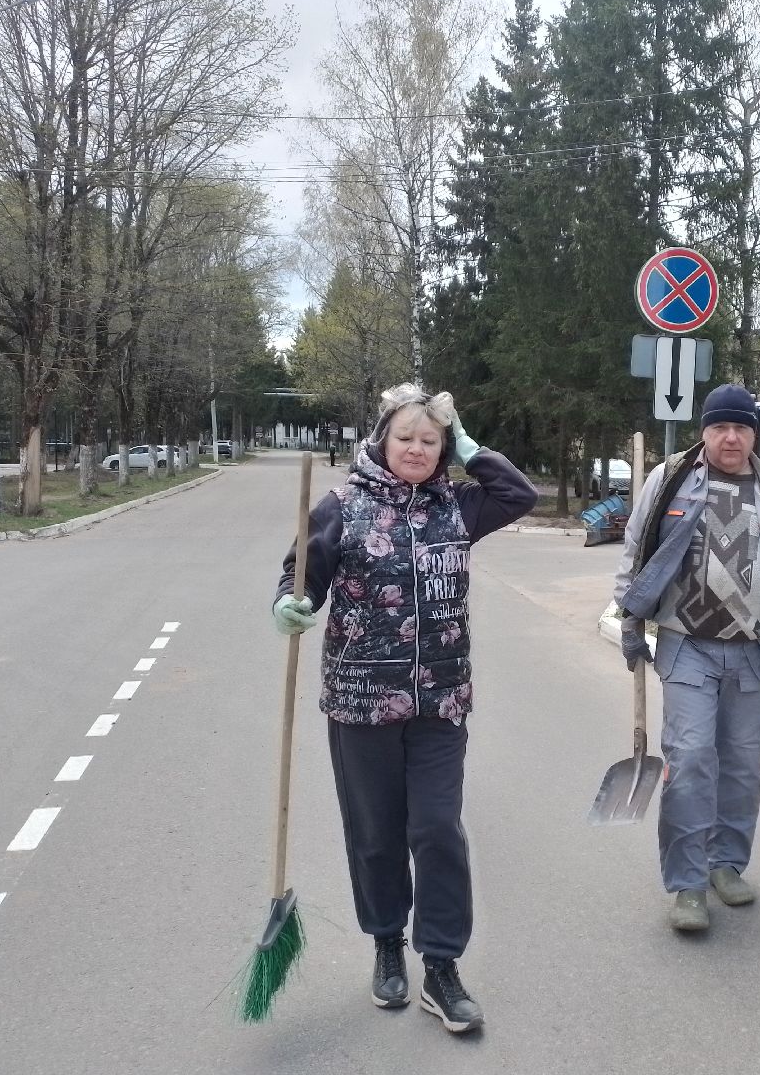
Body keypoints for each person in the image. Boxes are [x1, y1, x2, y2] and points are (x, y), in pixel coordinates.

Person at [272, 384, 535, 1033]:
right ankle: (387, 943)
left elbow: (518, 496)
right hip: (360, 704)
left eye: (431, 440)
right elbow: (302, 571)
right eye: (406, 437)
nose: (417, 449)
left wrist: (474, 450)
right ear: (382, 441)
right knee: (376, 837)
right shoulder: (342, 507)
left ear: (444, 449)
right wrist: (296, 600)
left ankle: (441, 966)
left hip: (440, 703)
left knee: (438, 829)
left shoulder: (459, 507)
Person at [612, 383, 760, 932]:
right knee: (691, 762)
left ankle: (726, 864)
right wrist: (629, 616)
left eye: (741, 428)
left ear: (754, 434)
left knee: (742, 769)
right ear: (705, 431)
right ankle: (688, 884)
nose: (731, 437)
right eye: (720, 427)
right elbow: (636, 547)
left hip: (754, 653)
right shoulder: (670, 478)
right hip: (687, 645)